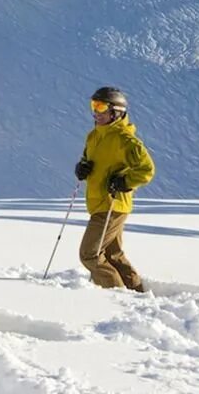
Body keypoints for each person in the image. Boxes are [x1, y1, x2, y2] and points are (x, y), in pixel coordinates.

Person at [72, 85, 155, 292]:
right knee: (112, 255)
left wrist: (125, 182)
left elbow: (146, 169)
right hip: (98, 204)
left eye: (100, 106)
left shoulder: (126, 140)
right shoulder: (93, 136)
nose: (96, 112)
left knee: (89, 254)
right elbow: (87, 159)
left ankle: (117, 296)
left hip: (113, 204)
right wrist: (82, 168)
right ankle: (137, 293)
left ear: (116, 111)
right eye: (93, 106)